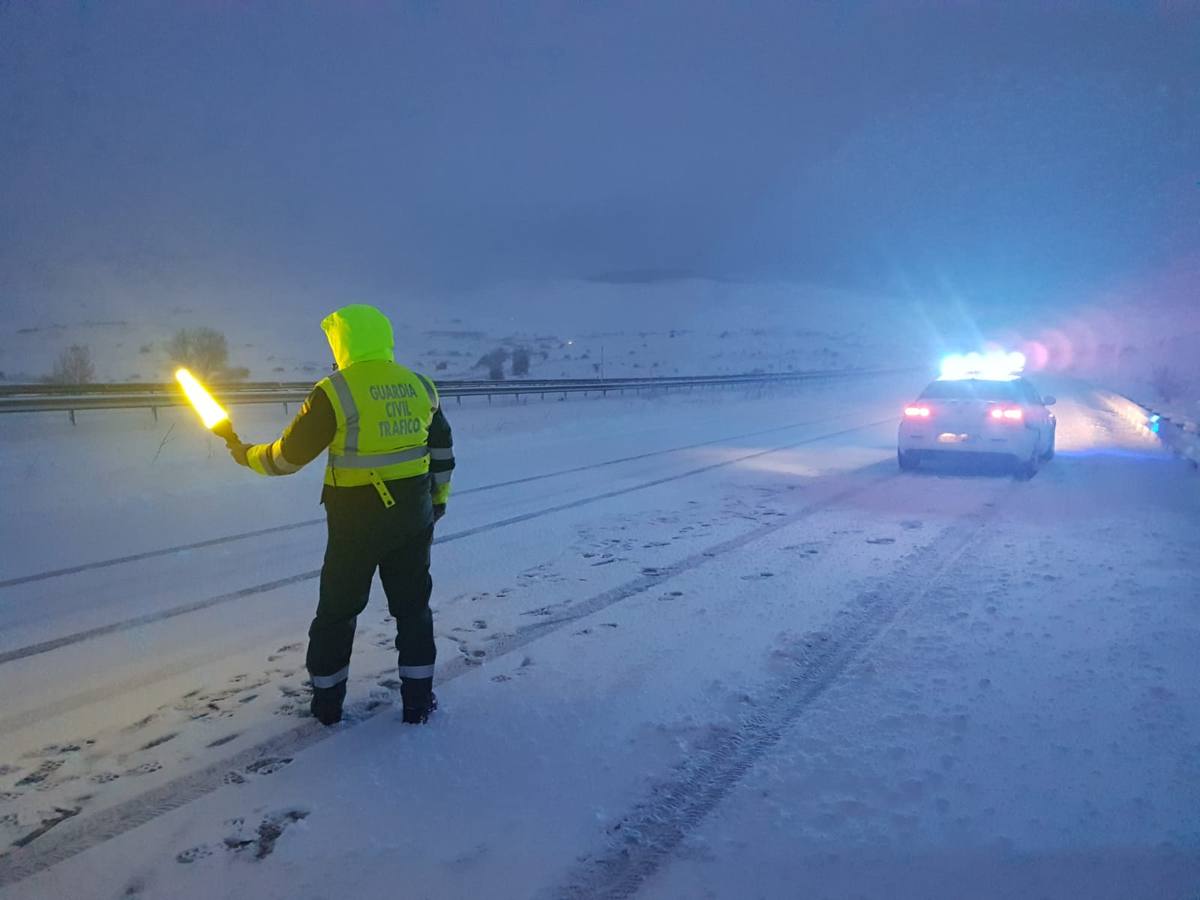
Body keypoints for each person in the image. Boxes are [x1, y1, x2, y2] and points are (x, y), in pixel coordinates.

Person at [228, 304, 455, 726]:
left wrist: (245, 454)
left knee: (337, 612)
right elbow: (441, 451)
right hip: (414, 516)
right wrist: (438, 499)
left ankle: (327, 706)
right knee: (413, 610)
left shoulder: (335, 391)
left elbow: (286, 458)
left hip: (356, 523)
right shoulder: (421, 386)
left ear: (343, 343)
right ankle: (418, 703)